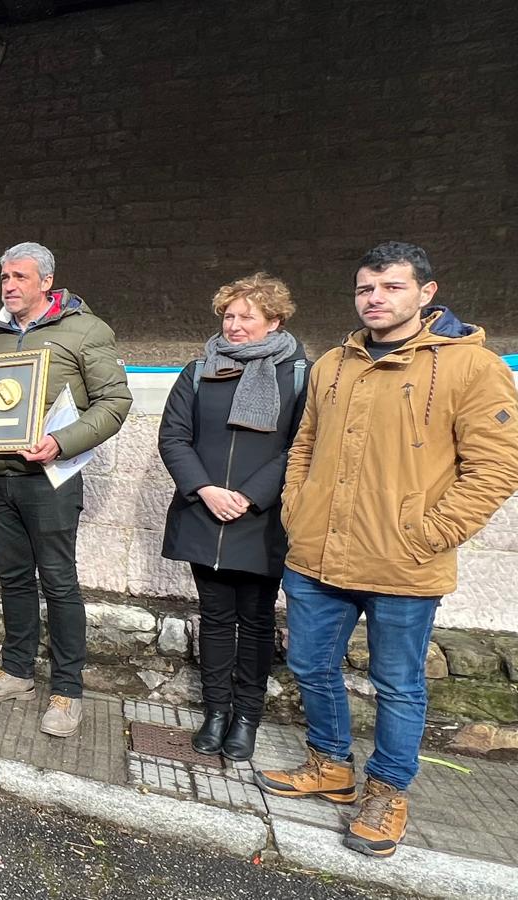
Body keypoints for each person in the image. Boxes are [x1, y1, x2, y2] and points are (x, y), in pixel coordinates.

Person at [255, 242, 518, 858]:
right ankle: (331, 766)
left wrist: (429, 534)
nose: (375, 299)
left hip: (404, 561)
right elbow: (304, 446)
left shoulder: (470, 368)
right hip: (318, 553)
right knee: (309, 665)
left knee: (397, 684)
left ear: (426, 293)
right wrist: (297, 509)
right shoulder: (332, 365)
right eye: (365, 289)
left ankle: (388, 790)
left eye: (391, 287)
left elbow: (496, 468)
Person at [0, 242, 132, 737]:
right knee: (13, 579)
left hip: (50, 479)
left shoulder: (86, 330)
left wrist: (61, 441)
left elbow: (114, 403)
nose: (9, 286)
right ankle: (16, 673)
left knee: (58, 582)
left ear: (46, 283)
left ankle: (67, 691)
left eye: (19, 277)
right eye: (4, 278)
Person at [158, 274, 307, 761]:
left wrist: (248, 496)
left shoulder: (299, 374)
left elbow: (300, 445)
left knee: (258, 621)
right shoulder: (199, 369)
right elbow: (174, 436)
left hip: (261, 519)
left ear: (275, 321)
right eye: (229, 316)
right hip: (205, 513)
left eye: (248, 317)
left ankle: (247, 718)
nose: (235, 325)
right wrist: (205, 489)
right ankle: (215, 711)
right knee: (216, 619)